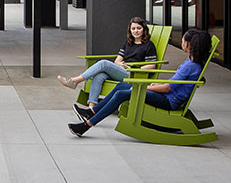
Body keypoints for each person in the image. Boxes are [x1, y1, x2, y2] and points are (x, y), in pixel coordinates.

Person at [68, 28, 211, 137]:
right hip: (167, 94)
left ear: (189, 44)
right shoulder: (191, 62)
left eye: (183, 41)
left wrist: (148, 87)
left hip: (168, 100)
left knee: (121, 95)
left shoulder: (190, 65)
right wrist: (154, 85)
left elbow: (168, 88)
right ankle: (91, 111)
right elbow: (172, 83)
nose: (181, 43)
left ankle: (87, 125)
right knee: (121, 86)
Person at [57, 17, 158, 108]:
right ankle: (92, 107)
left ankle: (75, 81)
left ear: (144, 29)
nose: (136, 31)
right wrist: (120, 65)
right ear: (130, 30)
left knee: (104, 63)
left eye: (139, 28)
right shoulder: (128, 43)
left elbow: (152, 65)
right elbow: (117, 60)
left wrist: (136, 70)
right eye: (133, 28)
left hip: (134, 75)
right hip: (123, 71)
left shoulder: (148, 45)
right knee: (99, 75)